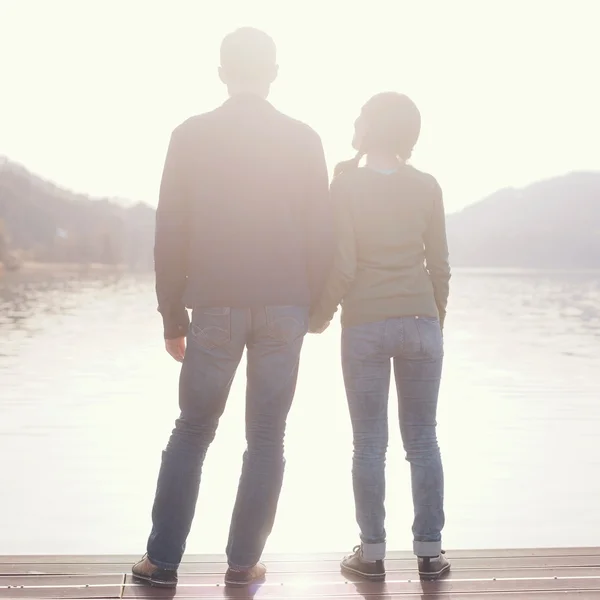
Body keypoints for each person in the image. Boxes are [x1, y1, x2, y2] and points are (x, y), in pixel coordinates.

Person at [132, 27, 334, 589]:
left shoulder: (190, 135)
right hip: (284, 306)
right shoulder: (303, 138)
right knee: (268, 436)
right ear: (274, 74)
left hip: (214, 304)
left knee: (193, 431)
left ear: (221, 73)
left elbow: (169, 230)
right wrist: (314, 308)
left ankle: (162, 564)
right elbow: (323, 231)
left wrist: (172, 315)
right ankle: (243, 564)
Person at [309, 92, 451, 582]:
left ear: (370, 128)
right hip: (421, 321)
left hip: (365, 325)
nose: (354, 122)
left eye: (360, 116)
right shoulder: (427, 186)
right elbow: (440, 266)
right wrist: (433, 319)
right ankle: (430, 554)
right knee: (423, 439)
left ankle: (371, 556)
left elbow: (344, 265)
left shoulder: (345, 187)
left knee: (370, 444)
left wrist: (320, 315)